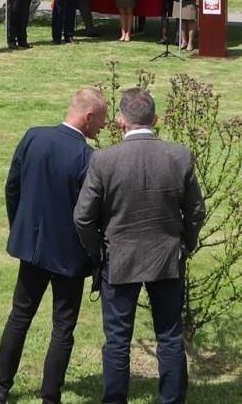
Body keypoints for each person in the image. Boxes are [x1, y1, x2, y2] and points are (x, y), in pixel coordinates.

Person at [73, 88, 206, 404]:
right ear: (155, 120)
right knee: (170, 336)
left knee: (118, 340)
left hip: (118, 258)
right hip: (167, 258)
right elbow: (196, 211)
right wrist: (185, 244)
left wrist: (97, 252)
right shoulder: (180, 156)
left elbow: (82, 218)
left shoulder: (104, 160)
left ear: (120, 122)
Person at [0, 88, 109, 404]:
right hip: (69, 255)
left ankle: (1, 388)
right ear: (88, 117)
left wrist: (21, 230)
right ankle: (50, 397)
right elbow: (90, 213)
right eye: (101, 122)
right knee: (63, 328)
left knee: (19, 316)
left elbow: (12, 188)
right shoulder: (87, 158)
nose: (102, 129)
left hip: (33, 249)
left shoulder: (33, 137)